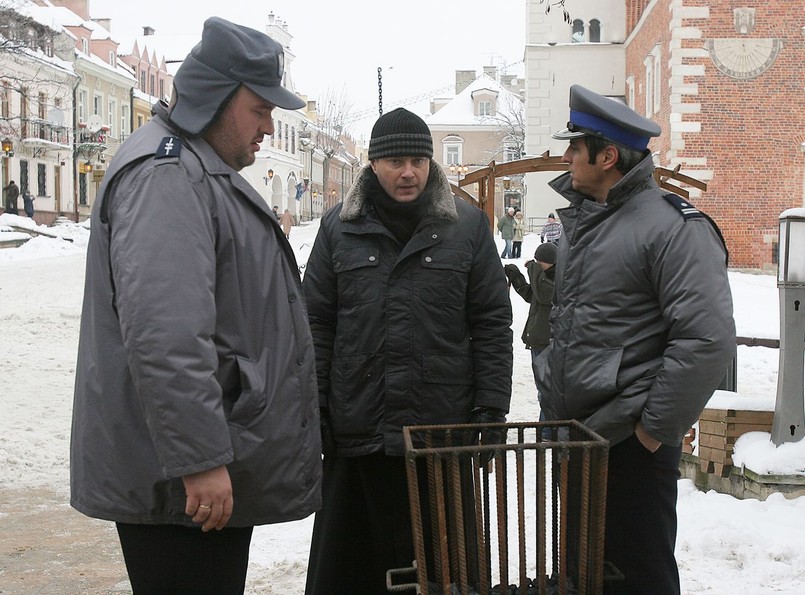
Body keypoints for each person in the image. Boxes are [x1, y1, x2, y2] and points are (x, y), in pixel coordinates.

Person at [70, 17, 322, 594]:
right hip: (180, 485)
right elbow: (166, 335)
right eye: (259, 109)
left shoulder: (195, 168)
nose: (268, 126)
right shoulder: (167, 175)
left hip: (193, 471)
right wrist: (202, 461)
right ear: (215, 96)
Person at [302, 107, 513, 594]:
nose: (408, 172)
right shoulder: (339, 228)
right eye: (395, 160)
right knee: (352, 574)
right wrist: (316, 407)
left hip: (438, 433)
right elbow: (316, 322)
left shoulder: (467, 227)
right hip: (360, 432)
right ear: (373, 164)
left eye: (418, 159)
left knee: (444, 575)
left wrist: (491, 410)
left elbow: (491, 324)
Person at [537, 84, 735, 594]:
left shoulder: (673, 227)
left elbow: (706, 339)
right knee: (586, 576)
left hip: (629, 443)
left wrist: (653, 430)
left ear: (607, 156)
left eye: (575, 148)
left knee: (637, 576)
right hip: (580, 437)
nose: (566, 157)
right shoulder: (589, 222)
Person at [503, 241, 556, 416]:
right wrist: (517, 277)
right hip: (538, 342)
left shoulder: (560, 280)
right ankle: (548, 430)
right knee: (544, 391)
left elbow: (543, 294)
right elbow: (531, 295)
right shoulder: (544, 278)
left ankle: (548, 431)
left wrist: (533, 269)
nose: (537, 265)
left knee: (548, 391)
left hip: (549, 344)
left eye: (540, 261)